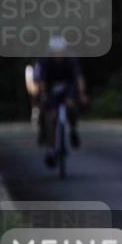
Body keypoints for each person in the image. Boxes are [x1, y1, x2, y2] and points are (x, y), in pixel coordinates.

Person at [38, 36, 88, 166]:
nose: (58, 54)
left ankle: (73, 130)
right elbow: (42, 81)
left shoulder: (72, 59)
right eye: (55, 52)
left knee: (71, 106)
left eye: (60, 51)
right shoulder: (45, 61)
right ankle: (50, 147)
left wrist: (82, 93)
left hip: (68, 88)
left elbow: (79, 77)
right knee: (50, 116)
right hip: (51, 89)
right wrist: (43, 94)